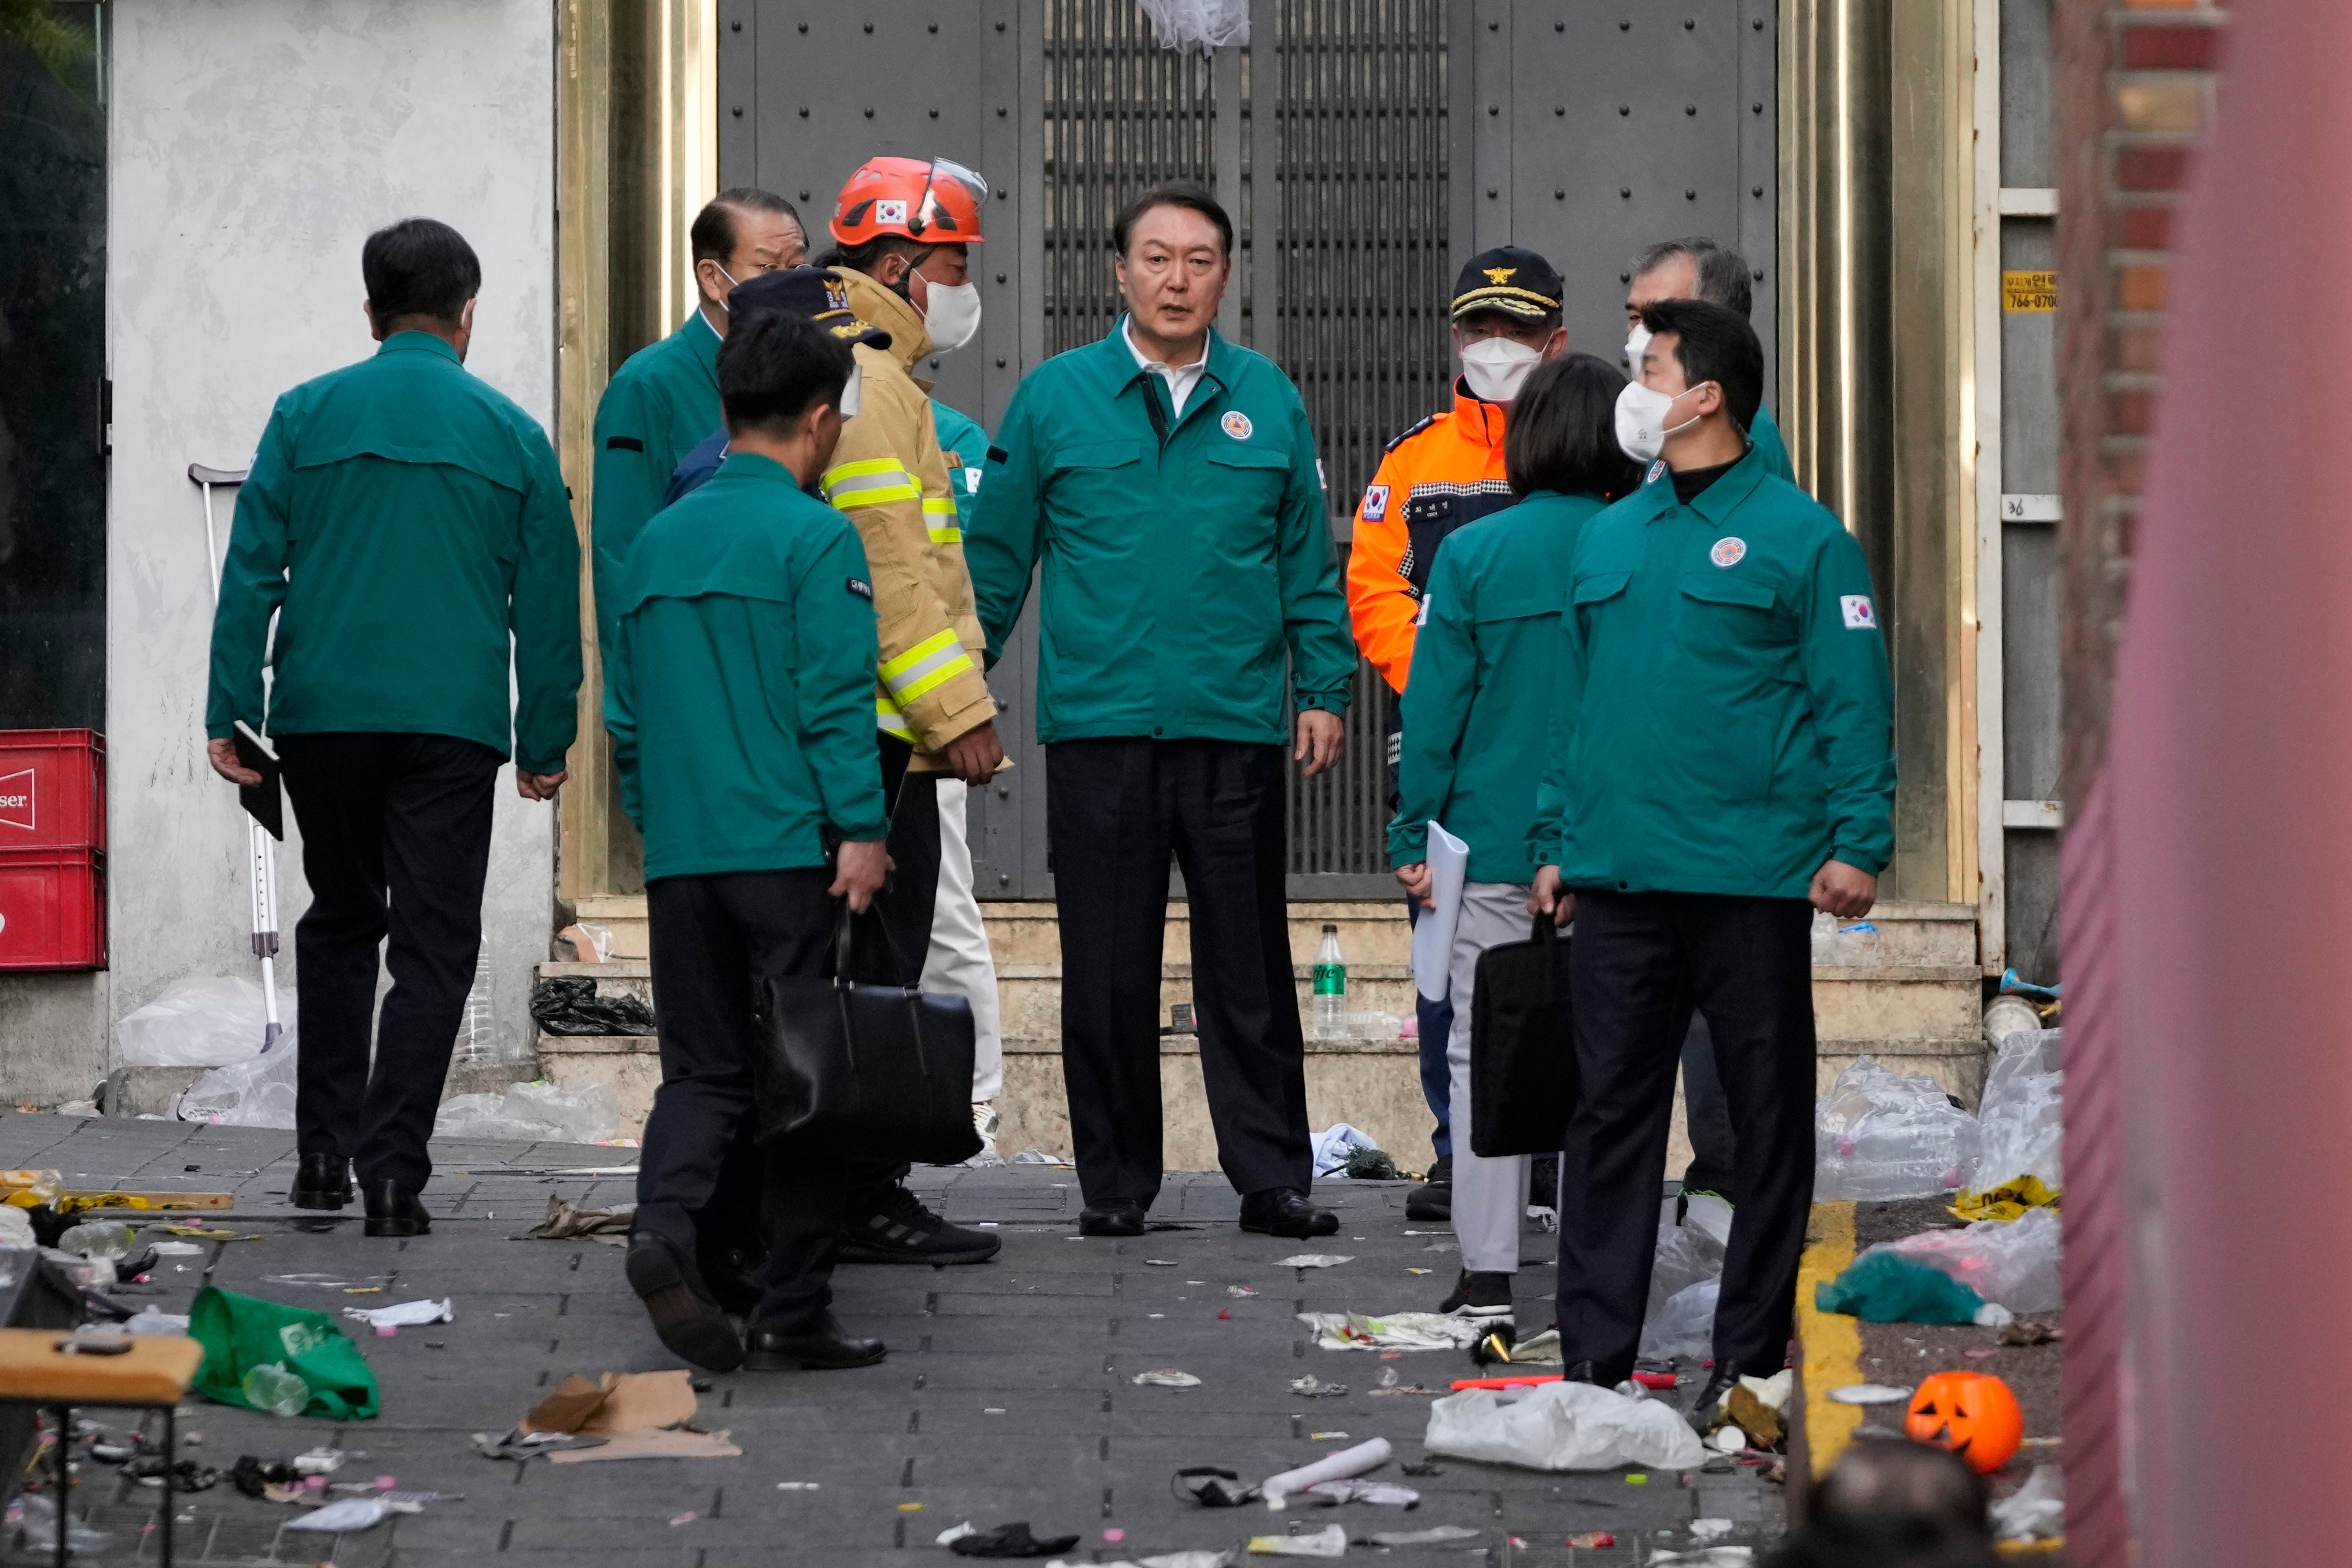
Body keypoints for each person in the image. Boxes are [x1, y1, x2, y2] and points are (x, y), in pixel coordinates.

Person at [966, 183, 1356, 1241]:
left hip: (1232, 727)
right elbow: (995, 564)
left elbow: (1305, 564)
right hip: (1099, 731)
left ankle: (1273, 1178)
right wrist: (954, 700)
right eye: (1156, 258)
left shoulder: (1267, 399)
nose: (1177, 279)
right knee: (1104, 967)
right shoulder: (1053, 400)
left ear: (1226, 274)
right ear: (1119, 272)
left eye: (1199, 260)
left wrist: (1323, 688)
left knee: (1250, 966)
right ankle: (1115, 1186)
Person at [1529, 299, 1894, 1416]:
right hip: (1622, 876)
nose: (1631, 382)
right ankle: (1593, 1358)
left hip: (1751, 878)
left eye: (1652, 367)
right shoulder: (1609, 534)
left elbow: (1853, 698)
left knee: (1764, 1117)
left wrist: (1858, 841)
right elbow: (1574, 708)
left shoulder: (1804, 537)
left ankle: (1747, 1357)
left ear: (1707, 396)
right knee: (1609, 1118)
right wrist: (1553, 839)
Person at [204, 218, 580, 1236]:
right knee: (433, 941)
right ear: (469, 315)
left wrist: (228, 707)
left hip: (322, 717)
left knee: (339, 918)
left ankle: (320, 1155)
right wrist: (546, 739)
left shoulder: (305, 415)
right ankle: (394, 1170)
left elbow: (253, 573)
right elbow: (546, 602)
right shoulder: (512, 436)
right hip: (451, 727)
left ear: (370, 313)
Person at [606, 307, 891, 1374]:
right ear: (819, 422)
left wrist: (655, 814)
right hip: (786, 851)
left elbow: (627, 715)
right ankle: (794, 1306)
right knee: (807, 1082)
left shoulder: (658, 540)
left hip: (684, 856)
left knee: (703, 1073)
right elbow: (833, 702)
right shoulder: (818, 537)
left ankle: (664, 1232)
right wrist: (861, 828)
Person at [1388, 353, 1640, 1319]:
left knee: (1482, 1054)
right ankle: (1598, 1261)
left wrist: (1412, 829)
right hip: (1616, 848)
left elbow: (1438, 706)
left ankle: (1488, 1266)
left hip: (1487, 847)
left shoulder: (1475, 554)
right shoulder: (1640, 543)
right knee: (1609, 1058)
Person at [1347, 245, 1569, 1223]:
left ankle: (1557, 1162)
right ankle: (1459, 1153)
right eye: (1481, 328)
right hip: (1443, 752)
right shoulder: (1414, 460)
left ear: (1556, 340)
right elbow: (1371, 590)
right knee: (1448, 968)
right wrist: (1447, 683)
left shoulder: (1598, 452)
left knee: (1565, 963)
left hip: (1558, 746)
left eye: (1517, 331)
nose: (1496, 347)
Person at [811, 157, 1006, 1264]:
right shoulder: (876, 384)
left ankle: (835, 1191)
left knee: (850, 973)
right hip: (884, 737)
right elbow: (896, 573)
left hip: (856, 724)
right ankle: (862, 1198)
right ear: (897, 263)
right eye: (953, 264)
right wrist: (957, 713)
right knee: (876, 980)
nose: (963, 284)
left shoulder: (858, 366)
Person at [1621, 233, 1788, 1212]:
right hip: (1644, 792)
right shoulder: (1647, 461)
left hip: (1721, 793)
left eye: (1660, 323)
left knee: (1726, 1010)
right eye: (1634, 316)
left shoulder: (1744, 475)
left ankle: (1735, 1180)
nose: (1638, 342)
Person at [591, 187, 805, 656]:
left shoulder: (816, 375)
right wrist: (638, 701)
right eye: (768, 269)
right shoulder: (648, 385)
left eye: (798, 268)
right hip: (695, 657)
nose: (789, 285)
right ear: (712, 278)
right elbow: (622, 550)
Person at [926, 396, 1007, 1146]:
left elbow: (962, 576)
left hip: (922, 708)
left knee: (943, 901)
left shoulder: (952, 435)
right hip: (830, 706)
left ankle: (977, 1097)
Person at [1624, 236, 1793, 483]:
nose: (1642, 332)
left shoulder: (1739, 438)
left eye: (1662, 318)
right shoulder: (1676, 422)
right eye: (1635, 316)